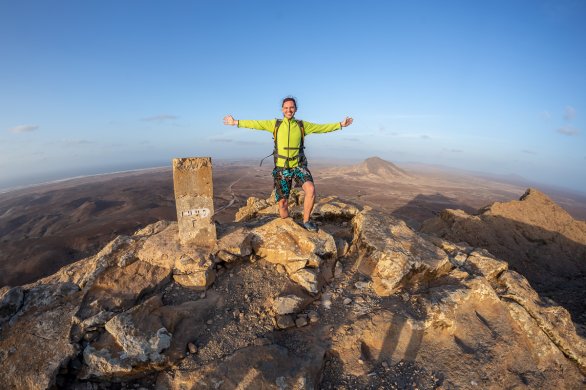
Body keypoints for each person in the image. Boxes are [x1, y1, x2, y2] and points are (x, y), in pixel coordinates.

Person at [223, 97, 353, 231]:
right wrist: (235, 122)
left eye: (291, 107)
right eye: (286, 108)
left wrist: (340, 125)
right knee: (283, 203)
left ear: (295, 109)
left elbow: (321, 128)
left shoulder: (302, 125)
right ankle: (287, 225)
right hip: (282, 168)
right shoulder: (275, 124)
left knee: (311, 189)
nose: (289, 110)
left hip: (298, 165)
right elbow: (256, 124)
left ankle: (306, 220)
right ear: (282, 110)